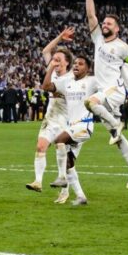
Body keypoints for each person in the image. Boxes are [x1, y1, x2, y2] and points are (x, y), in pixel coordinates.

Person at [82, 0, 128, 188]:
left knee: (89, 102)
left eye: (109, 24)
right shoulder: (98, 39)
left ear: (117, 29)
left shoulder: (123, 48)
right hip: (104, 92)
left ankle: (117, 125)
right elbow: (91, 15)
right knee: (115, 136)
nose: (105, 25)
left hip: (115, 89)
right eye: (105, 23)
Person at [42, 50, 101, 206]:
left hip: (85, 125)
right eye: (75, 63)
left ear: (88, 69)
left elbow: (108, 87)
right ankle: (81, 196)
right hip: (72, 128)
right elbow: (46, 86)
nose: (76, 65)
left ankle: (61, 178)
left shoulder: (92, 81)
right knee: (68, 163)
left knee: (59, 140)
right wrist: (50, 68)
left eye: (81, 64)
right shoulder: (66, 82)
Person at [26, 28, 73, 194]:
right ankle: (38, 181)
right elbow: (46, 50)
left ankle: (63, 181)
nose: (55, 62)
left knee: (61, 149)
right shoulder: (52, 72)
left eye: (59, 59)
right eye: (54, 59)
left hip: (65, 119)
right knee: (40, 147)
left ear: (67, 62)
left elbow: (47, 88)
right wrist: (60, 37)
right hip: (50, 118)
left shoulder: (71, 79)